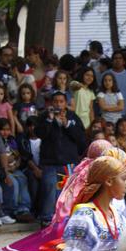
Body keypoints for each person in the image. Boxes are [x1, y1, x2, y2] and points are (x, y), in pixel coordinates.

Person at [34, 91, 86, 227]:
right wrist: (50, 120)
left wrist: (68, 124)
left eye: (61, 101)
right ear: (51, 103)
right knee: (49, 188)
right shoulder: (45, 116)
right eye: (55, 101)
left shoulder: (73, 117)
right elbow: (39, 133)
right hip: (50, 162)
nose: (58, 104)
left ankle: (66, 219)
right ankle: (46, 220)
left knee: (68, 192)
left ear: (65, 103)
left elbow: (81, 138)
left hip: (68, 162)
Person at [110, 50, 126, 118]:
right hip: (109, 112)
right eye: (115, 58)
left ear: (124, 61)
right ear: (112, 61)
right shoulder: (106, 74)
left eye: (120, 58)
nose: (118, 60)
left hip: (125, 112)